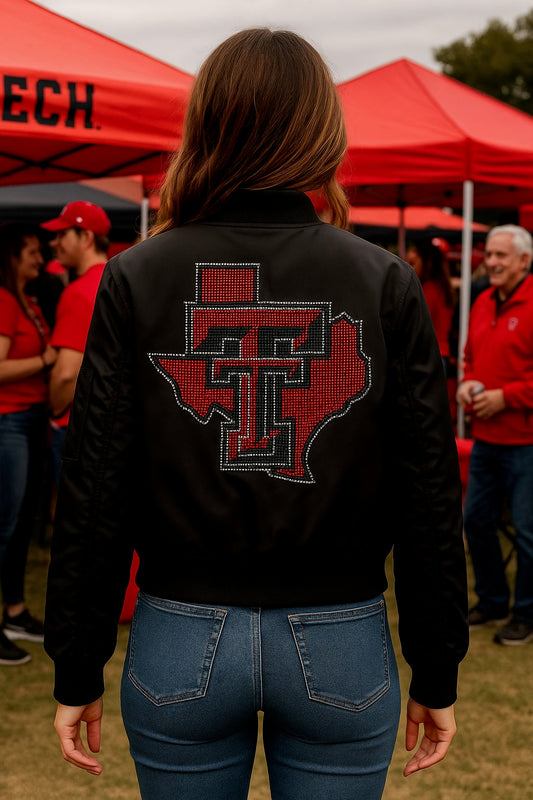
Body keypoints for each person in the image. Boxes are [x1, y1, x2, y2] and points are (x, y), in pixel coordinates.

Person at [45, 29, 468, 800]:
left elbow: (94, 486)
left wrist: (77, 660)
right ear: (320, 130)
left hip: (180, 630)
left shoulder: (138, 275)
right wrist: (434, 664)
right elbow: (429, 493)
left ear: (205, 122)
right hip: (339, 632)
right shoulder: (380, 279)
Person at [457, 224, 533, 646]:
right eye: (489, 253)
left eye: (502, 255)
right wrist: (469, 382)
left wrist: (508, 397)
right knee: (476, 522)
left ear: (524, 260)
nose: (492, 261)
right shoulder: (484, 299)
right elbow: (470, 356)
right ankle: (491, 601)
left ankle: (525, 614)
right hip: (487, 439)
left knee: (527, 532)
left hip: (527, 441)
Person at [0, 223, 57, 665]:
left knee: (19, 523)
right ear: (13, 256)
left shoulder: (29, 301)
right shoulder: (3, 302)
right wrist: (45, 359)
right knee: (6, 523)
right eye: (33, 252)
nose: (41, 259)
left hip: (29, 418)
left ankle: (15, 611)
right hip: (9, 423)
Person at [39, 201, 111, 483]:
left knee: (65, 515)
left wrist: (54, 412)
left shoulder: (79, 291)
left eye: (62, 235)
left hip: (75, 426)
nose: (54, 243)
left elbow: (67, 374)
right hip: (104, 424)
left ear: (86, 237)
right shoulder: (118, 281)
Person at [406, 238, 455, 374]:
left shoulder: (430, 289)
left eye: (415, 261)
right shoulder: (441, 287)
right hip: (440, 352)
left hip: (429, 354)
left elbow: (417, 321)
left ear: (426, 261)